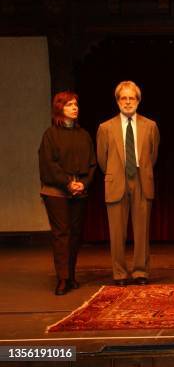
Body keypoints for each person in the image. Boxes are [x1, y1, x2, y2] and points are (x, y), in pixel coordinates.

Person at [96, 81, 160, 286]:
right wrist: (116, 173)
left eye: (132, 98)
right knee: (117, 233)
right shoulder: (105, 128)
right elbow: (101, 159)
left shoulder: (150, 126)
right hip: (117, 181)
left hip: (142, 181)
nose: (128, 102)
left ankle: (141, 272)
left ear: (138, 100)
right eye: (123, 98)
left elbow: (153, 155)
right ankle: (120, 274)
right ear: (117, 101)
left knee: (142, 231)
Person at [38, 91, 96, 295]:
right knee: (61, 234)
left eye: (76, 104)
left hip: (79, 191)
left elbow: (92, 164)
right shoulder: (50, 135)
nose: (75, 108)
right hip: (56, 192)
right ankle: (62, 278)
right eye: (69, 104)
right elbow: (49, 165)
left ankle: (71, 276)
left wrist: (83, 184)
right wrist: (68, 183)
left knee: (74, 235)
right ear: (59, 108)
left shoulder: (84, 135)